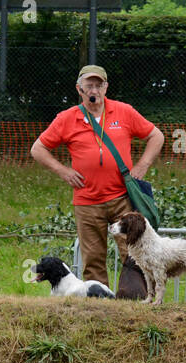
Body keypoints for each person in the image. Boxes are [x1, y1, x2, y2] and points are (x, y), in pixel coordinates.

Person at [31, 65, 165, 289]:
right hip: (87, 202)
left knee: (134, 255)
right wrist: (63, 171)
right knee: (93, 261)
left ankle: (140, 302)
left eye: (98, 84)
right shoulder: (67, 118)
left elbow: (156, 136)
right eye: (89, 85)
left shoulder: (124, 112)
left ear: (106, 87)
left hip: (122, 198)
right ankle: (100, 307)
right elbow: (38, 149)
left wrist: (142, 165)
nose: (94, 89)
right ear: (79, 89)